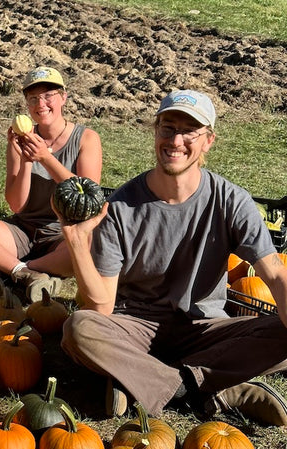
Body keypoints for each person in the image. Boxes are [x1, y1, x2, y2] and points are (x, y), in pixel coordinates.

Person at [59, 89, 287, 425]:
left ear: (208, 141)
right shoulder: (121, 207)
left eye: (188, 131)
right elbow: (102, 307)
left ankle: (138, 381)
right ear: (155, 131)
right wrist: (77, 243)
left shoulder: (230, 201)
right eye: (167, 128)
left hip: (204, 327)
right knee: (78, 328)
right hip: (133, 327)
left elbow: (276, 275)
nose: (175, 140)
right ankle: (205, 388)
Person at [0, 66, 102, 302]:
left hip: (62, 235)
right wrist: (27, 160)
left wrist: (46, 158)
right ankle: (25, 272)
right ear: (27, 104)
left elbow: (88, 199)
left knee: (91, 244)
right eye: (33, 98)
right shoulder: (20, 139)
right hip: (21, 232)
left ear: (63, 97)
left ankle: (14, 269)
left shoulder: (86, 138)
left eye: (48, 95)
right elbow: (16, 206)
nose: (41, 104)